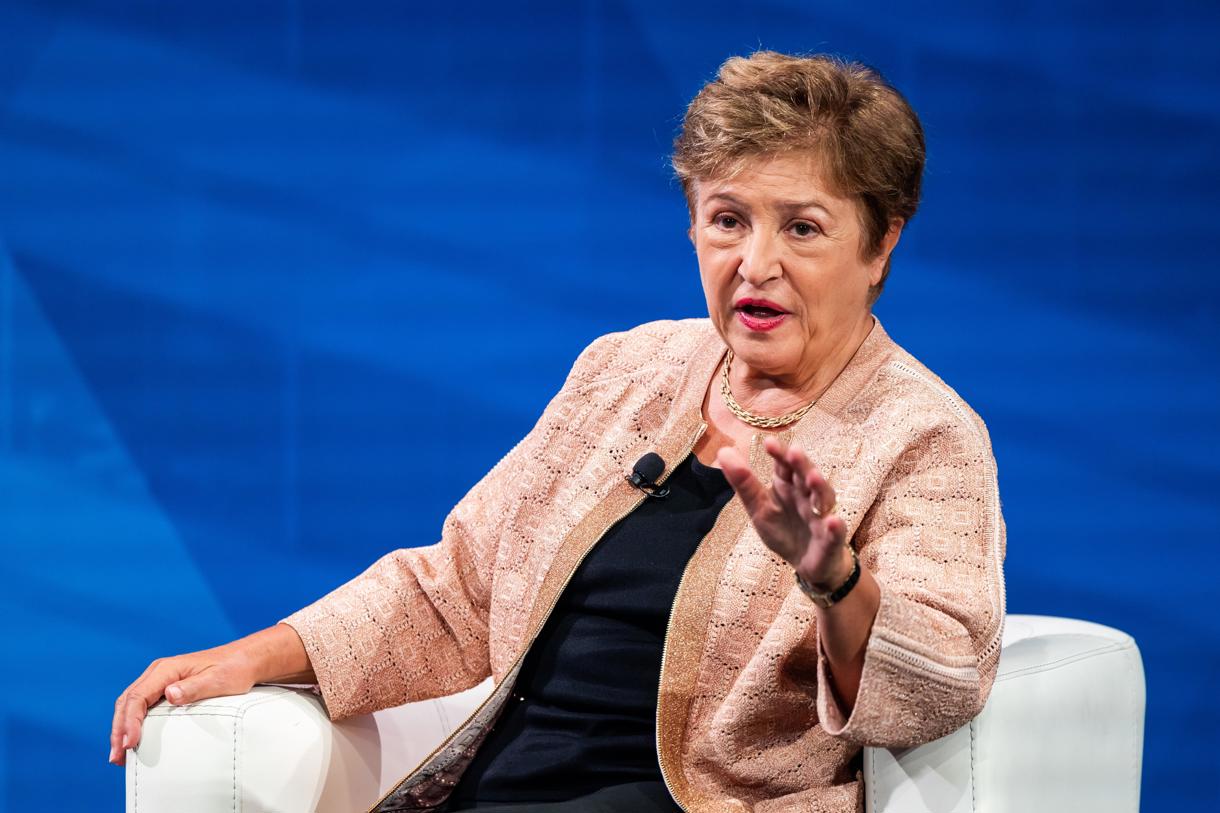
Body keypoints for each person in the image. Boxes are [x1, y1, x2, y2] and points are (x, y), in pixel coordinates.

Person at [109, 51, 1005, 813]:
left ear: (881, 243)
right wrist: (246, 656)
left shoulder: (923, 435)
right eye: (727, 220)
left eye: (802, 228)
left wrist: (832, 577)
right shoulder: (628, 370)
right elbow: (455, 588)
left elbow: (935, 684)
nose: (754, 264)